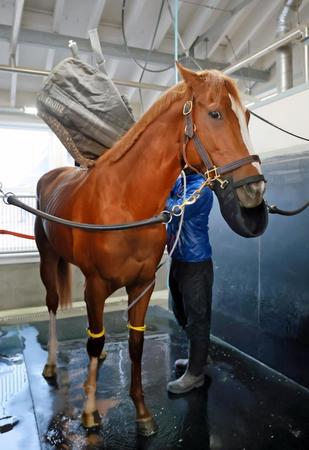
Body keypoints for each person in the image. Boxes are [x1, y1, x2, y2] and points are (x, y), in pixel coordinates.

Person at [166, 168, 214, 394]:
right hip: (178, 257)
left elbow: (177, 210)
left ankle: (196, 375)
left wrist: (159, 195)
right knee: (179, 310)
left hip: (196, 262)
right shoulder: (180, 182)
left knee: (197, 317)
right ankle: (198, 357)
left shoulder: (202, 188)